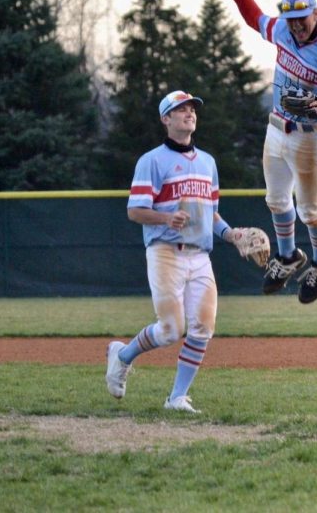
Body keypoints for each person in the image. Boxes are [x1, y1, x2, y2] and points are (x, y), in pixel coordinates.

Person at [106, 90, 253, 413]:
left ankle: (176, 398)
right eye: (181, 109)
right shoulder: (152, 161)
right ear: (166, 119)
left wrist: (232, 234)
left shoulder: (207, 162)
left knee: (202, 328)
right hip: (165, 252)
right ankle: (122, 356)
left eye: (192, 109)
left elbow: (211, 214)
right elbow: (135, 211)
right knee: (171, 329)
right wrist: (165, 218)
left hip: (200, 255)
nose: (189, 113)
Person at [221, 0, 317, 304]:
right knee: (276, 201)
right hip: (276, 128)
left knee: (309, 209)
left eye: (302, 18)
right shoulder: (281, 30)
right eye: (291, 19)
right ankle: (289, 256)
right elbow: (252, 16)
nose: (296, 25)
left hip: (310, 135)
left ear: (315, 13)